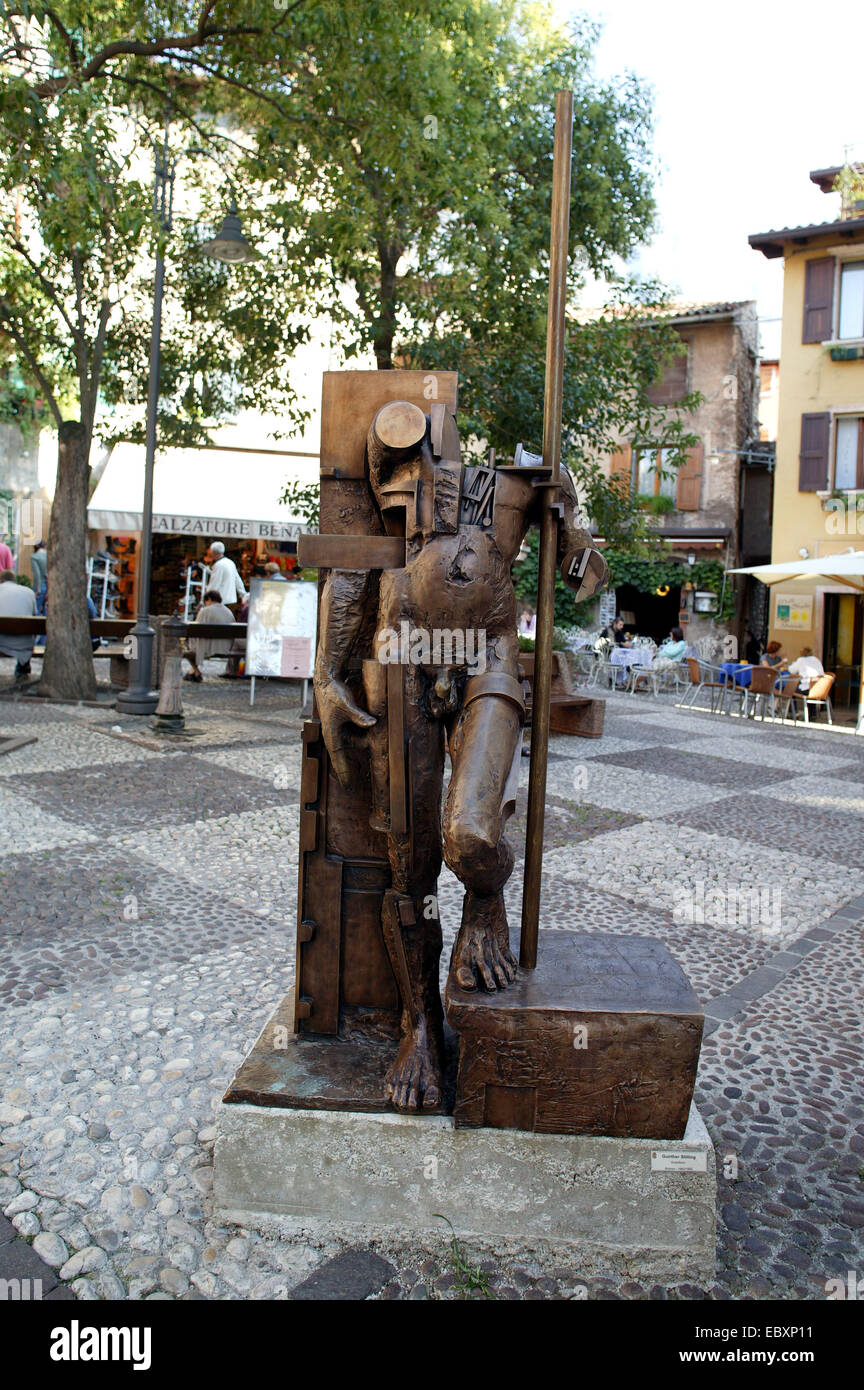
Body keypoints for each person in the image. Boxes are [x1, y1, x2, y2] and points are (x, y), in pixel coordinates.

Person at [182, 588, 235, 682]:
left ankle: (195, 671)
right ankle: (194, 671)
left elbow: (196, 630)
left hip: (210, 648)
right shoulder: (228, 611)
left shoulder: (205, 611)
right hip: (226, 647)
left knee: (188, 652)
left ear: (209, 599)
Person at [0, 569, 37, 678]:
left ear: (2, 580)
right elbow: (34, 616)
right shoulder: (29, 592)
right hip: (24, 644)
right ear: (15, 581)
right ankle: (23, 668)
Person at [206, 541, 247, 612]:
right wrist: (243, 595)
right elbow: (238, 580)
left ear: (213, 552)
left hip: (221, 601)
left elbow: (214, 584)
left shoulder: (218, 565)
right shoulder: (230, 563)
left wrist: (206, 599)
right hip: (232, 600)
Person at [30, 541, 48, 614]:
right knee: (46, 611)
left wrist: (37, 589)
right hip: (50, 587)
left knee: (36, 610)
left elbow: (37, 573)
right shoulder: (49, 555)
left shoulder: (34, 557)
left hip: (40, 587)